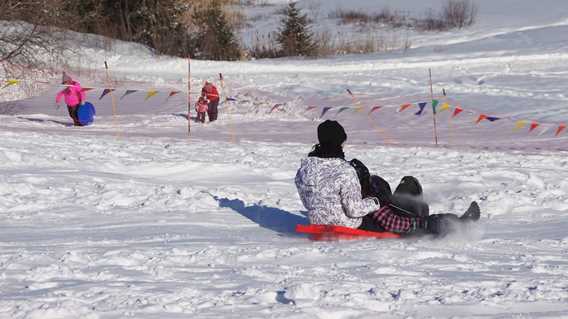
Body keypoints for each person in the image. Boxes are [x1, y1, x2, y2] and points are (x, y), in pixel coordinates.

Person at [295, 120, 480, 237]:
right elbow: (353, 209)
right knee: (400, 217)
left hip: (318, 221)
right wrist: (375, 201)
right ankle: (452, 223)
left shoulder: (305, 169)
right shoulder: (344, 170)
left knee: (374, 189)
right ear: (338, 142)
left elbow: (308, 201)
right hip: (351, 223)